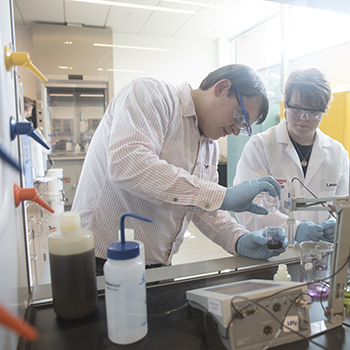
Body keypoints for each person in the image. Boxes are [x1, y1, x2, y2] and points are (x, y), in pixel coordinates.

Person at [71, 64, 288, 274]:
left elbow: (204, 210)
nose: (234, 129)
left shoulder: (209, 147)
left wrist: (239, 239)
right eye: (239, 117)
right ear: (222, 87)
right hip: (101, 262)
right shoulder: (152, 95)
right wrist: (223, 196)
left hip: (157, 266)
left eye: (243, 127)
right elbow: (127, 163)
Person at [234, 68, 349, 243]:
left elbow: (345, 204)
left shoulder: (337, 153)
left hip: (322, 254)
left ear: (326, 109)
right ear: (286, 103)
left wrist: (338, 224)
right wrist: (292, 229)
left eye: (314, 112)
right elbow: (247, 210)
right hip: (273, 251)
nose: (304, 118)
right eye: (296, 109)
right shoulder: (260, 147)